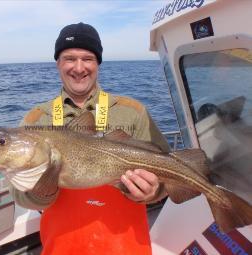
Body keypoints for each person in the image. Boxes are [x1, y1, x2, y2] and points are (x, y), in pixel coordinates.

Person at [10, 22, 170, 255]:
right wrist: (41, 192)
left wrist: (154, 192)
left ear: (98, 64)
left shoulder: (133, 111)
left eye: (87, 58)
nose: (79, 67)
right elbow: (19, 196)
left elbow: (165, 178)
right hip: (61, 249)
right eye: (69, 58)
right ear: (58, 64)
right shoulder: (36, 119)